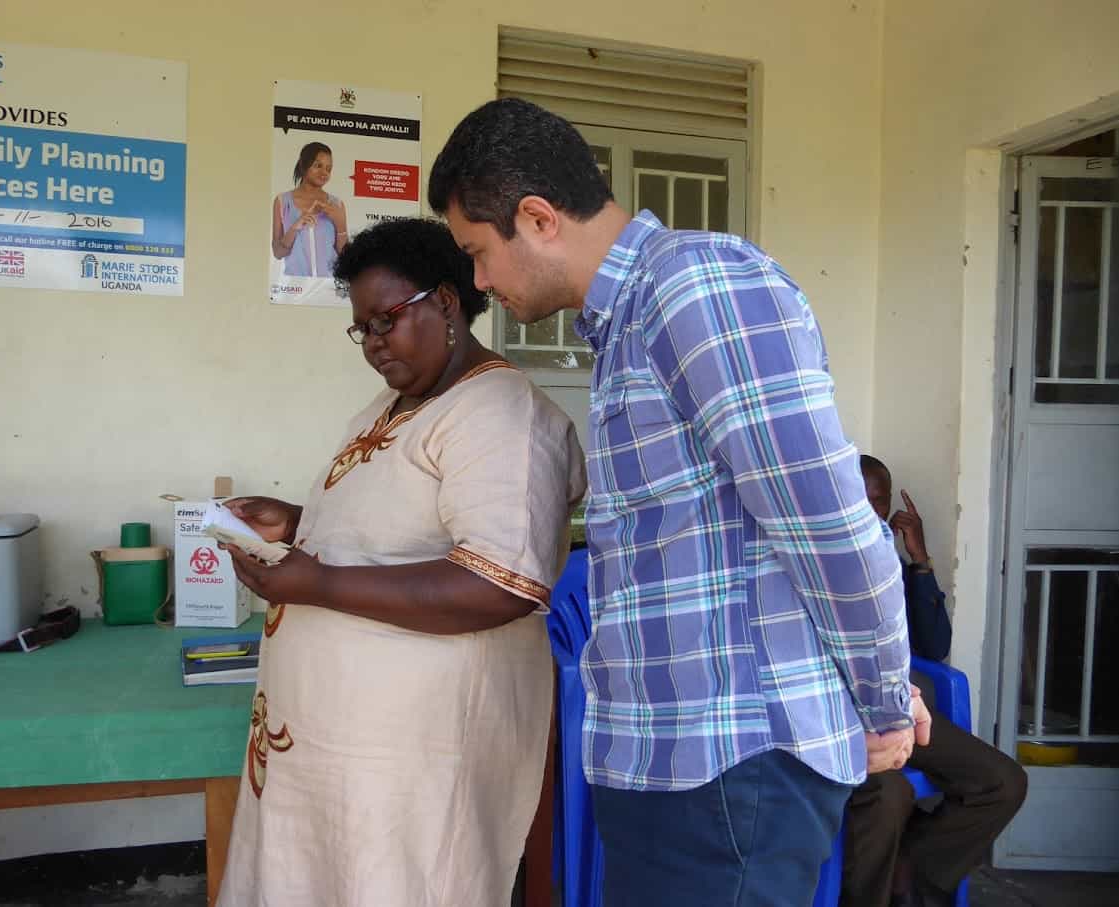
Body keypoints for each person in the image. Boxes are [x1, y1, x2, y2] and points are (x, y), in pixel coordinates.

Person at [428, 97, 932, 907]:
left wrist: (883, 699)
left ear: (537, 218)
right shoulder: (628, 321)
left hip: (733, 765)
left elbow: (827, 523)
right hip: (671, 763)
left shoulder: (696, 285)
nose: (479, 282)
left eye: (476, 253)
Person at [216, 217, 587, 906]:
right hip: (334, 749)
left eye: (385, 320)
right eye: (362, 329)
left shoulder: (500, 415)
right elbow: (391, 529)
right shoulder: (392, 405)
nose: (374, 343)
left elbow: (498, 584)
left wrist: (317, 583)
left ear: (445, 302)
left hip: (414, 752)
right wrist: (294, 523)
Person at [843, 456, 1027, 907]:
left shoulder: (889, 558)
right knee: (891, 793)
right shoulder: (825, 556)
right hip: (842, 717)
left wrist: (920, 560)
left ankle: (912, 868)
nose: (869, 510)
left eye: (878, 501)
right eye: (858, 498)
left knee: (1003, 782)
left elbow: (934, 644)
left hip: (901, 706)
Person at [271, 141, 348, 277]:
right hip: (296, 286)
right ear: (304, 165)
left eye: (328, 169)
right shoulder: (282, 202)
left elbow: (345, 257)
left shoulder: (337, 204)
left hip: (327, 285)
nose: (324, 172)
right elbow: (278, 253)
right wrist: (295, 227)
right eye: (318, 166)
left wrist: (340, 226)